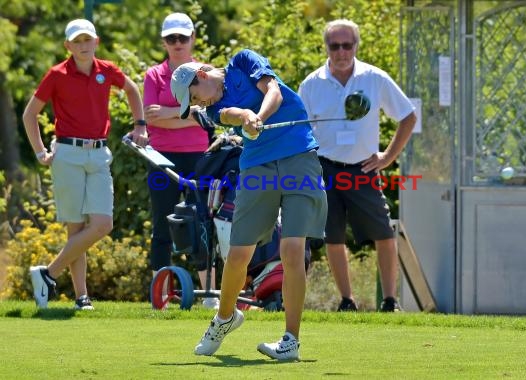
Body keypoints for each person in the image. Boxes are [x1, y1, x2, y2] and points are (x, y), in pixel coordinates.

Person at [170, 49, 327, 360]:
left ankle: (290, 340)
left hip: (299, 157)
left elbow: (274, 91)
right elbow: (230, 116)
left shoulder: (243, 61)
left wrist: (259, 116)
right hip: (257, 168)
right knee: (239, 252)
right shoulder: (215, 109)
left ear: (201, 75)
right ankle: (225, 317)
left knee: (293, 249)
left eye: (195, 97)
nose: (200, 105)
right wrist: (244, 117)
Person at [22, 19, 148, 310]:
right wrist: (41, 152)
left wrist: (140, 124)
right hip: (67, 154)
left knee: (103, 224)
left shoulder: (107, 70)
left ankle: (47, 274)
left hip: (99, 153)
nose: (82, 45)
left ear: (96, 42)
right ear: (68, 45)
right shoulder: (56, 74)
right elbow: (30, 115)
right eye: (76, 41)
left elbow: (131, 90)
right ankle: (82, 297)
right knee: (76, 229)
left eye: (86, 40)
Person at [298, 19, 416, 312]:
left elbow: (408, 116)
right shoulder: (311, 84)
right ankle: (347, 301)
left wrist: (387, 157)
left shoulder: (374, 78)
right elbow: (300, 131)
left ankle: (390, 301)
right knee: (333, 237)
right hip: (325, 169)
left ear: (355, 46)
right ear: (326, 47)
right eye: (334, 45)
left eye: (346, 45)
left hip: (364, 169)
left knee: (384, 235)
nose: (341, 52)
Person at [143, 12, 218, 310]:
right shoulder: (154, 75)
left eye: (182, 38)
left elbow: (208, 118)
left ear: (192, 39)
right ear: (164, 41)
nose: (177, 43)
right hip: (162, 159)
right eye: (171, 38)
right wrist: (191, 113)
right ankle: (159, 295)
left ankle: (209, 295)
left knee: (201, 222)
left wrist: (171, 112)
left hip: (200, 158)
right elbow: (152, 117)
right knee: (162, 225)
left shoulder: (206, 72)